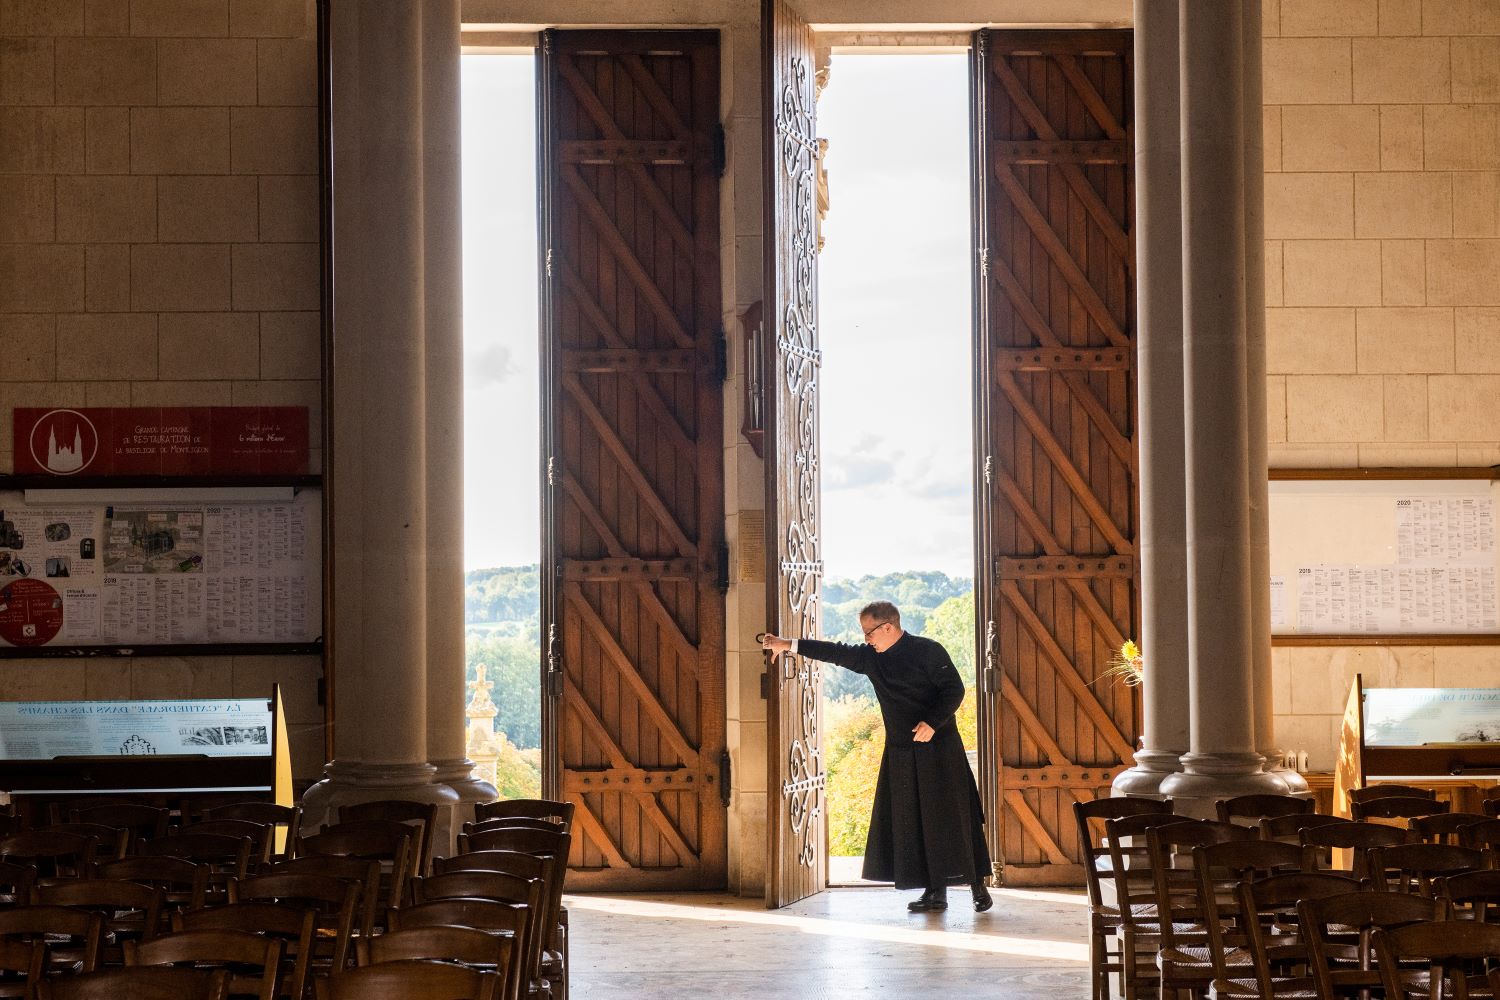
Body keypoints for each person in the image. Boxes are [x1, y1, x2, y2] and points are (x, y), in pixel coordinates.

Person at [761, 600, 993, 913]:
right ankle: (935, 893)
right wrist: (787, 644)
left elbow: (954, 690)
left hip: (941, 749)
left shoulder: (928, 650)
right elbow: (835, 652)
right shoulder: (871, 658)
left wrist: (932, 722)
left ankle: (979, 886)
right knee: (916, 821)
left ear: (888, 627)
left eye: (870, 632)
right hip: (900, 752)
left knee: (954, 817)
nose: (866, 639)